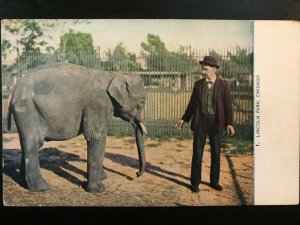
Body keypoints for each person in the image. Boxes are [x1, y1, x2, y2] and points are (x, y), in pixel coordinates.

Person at [175, 56, 235, 193]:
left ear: (214, 69)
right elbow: (192, 105)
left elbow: (227, 106)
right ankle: (195, 183)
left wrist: (229, 123)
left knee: (216, 153)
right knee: (197, 153)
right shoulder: (198, 85)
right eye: (202, 69)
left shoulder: (224, 85)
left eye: (206, 69)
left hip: (216, 123)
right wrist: (184, 119)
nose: (203, 72)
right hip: (200, 122)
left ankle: (214, 181)